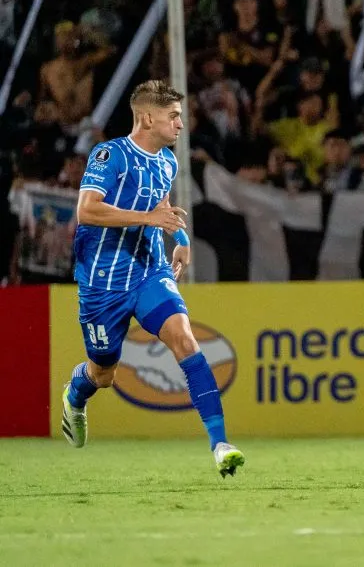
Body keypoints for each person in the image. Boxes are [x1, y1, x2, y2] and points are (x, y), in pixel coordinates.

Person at [60, 80, 245, 477]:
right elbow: (87, 211)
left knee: (185, 339)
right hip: (102, 283)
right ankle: (76, 394)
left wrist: (179, 238)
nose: (181, 124)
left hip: (149, 270)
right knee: (103, 374)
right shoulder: (110, 155)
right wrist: (150, 219)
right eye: (174, 116)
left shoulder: (167, 161)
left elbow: (160, 203)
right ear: (147, 117)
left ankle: (221, 445)